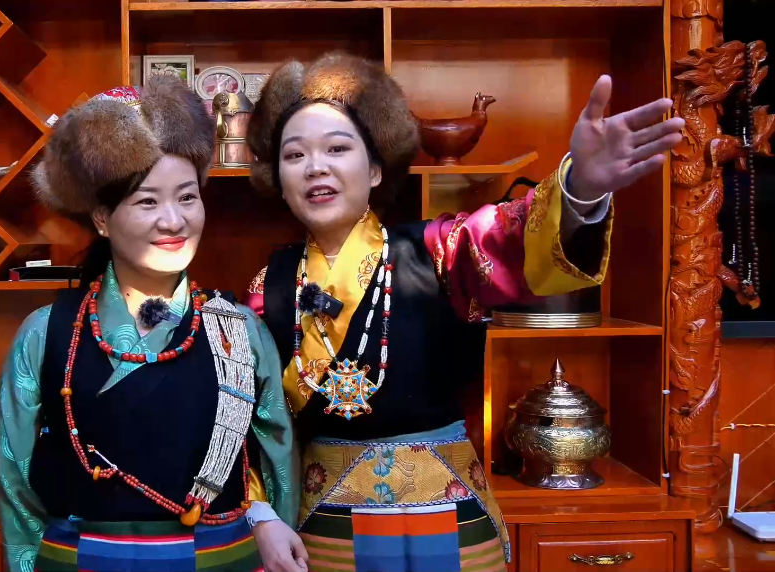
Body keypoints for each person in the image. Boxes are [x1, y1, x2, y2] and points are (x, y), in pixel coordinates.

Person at [243, 52, 685, 571]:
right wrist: (259, 512)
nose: (316, 166)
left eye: (337, 148)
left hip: (452, 517)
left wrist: (581, 190)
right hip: (323, 529)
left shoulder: (441, 251)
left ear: (377, 168)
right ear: (279, 178)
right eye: (295, 155)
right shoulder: (267, 288)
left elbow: (509, 236)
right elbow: (253, 420)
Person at [0, 75, 308, 572]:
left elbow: (278, 461)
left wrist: (271, 521)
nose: (173, 221)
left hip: (217, 560)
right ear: (101, 217)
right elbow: (14, 481)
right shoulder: (44, 333)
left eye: (187, 197)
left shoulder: (240, 331)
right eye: (147, 201)